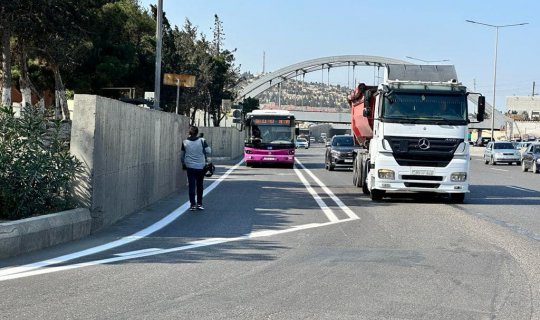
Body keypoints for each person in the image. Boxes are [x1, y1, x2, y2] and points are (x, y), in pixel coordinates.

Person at [181, 126, 211, 211]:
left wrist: (183, 164)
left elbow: (182, 156)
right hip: (200, 166)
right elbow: (208, 151)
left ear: (189, 133)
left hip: (190, 166)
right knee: (200, 185)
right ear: (197, 132)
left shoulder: (185, 142)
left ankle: (192, 205)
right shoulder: (202, 140)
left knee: (191, 185)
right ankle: (199, 204)